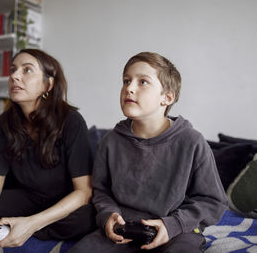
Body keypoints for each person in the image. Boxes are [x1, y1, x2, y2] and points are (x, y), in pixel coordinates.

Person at [0, 49, 96, 253]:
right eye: (12, 70)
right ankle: (9, 226)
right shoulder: (6, 122)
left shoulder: (71, 121)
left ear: (48, 84)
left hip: (63, 203)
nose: (14, 76)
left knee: (86, 218)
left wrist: (32, 223)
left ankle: (20, 228)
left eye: (27, 70)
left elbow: (84, 192)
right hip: (28, 198)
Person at [69, 52, 228, 253]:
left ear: (167, 97)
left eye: (143, 82)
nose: (130, 88)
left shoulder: (192, 142)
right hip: (123, 228)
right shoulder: (110, 142)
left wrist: (174, 225)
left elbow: (213, 202)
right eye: (126, 81)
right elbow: (101, 191)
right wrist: (108, 216)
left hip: (175, 230)